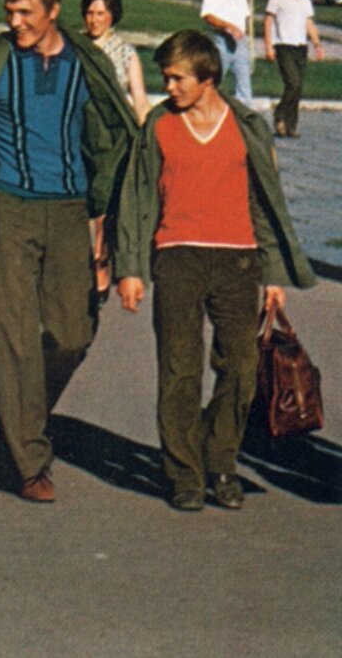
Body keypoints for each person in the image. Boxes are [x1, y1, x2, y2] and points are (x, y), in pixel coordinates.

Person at [0, 0, 136, 502]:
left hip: (70, 212)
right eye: (10, 12)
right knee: (12, 331)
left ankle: (20, 415)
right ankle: (29, 459)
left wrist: (105, 224)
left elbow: (107, 142)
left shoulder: (86, 65)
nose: (15, 21)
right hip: (10, 208)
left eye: (25, 12)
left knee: (73, 335)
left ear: (52, 12)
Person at [114, 31, 316, 511]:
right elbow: (138, 198)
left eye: (177, 78)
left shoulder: (246, 125)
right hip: (178, 257)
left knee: (241, 370)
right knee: (179, 370)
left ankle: (221, 461)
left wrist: (273, 276)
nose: (170, 87)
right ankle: (184, 472)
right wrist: (131, 268)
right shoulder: (159, 125)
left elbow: (265, 203)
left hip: (238, 260)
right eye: (165, 78)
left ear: (207, 78)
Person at [264, 0, 325, 138]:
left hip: (300, 46)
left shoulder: (305, 1)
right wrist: (268, 46)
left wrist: (317, 43)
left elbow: (309, 22)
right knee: (293, 83)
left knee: (298, 88)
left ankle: (291, 124)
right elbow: (268, 22)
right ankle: (280, 115)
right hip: (284, 45)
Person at [81, 0, 149, 125]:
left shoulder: (126, 52)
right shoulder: (74, 46)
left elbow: (140, 102)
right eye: (90, 13)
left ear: (112, 15)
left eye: (100, 14)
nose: (94, 20)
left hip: (113, 128)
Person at [200, 0, 252, 105]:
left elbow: (244, 14)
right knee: (214, 81)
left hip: (240, 42)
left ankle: (244, 121)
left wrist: (241, 32)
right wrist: (228, 26)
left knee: (245, 87)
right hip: (221, 40)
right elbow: (208, 15)